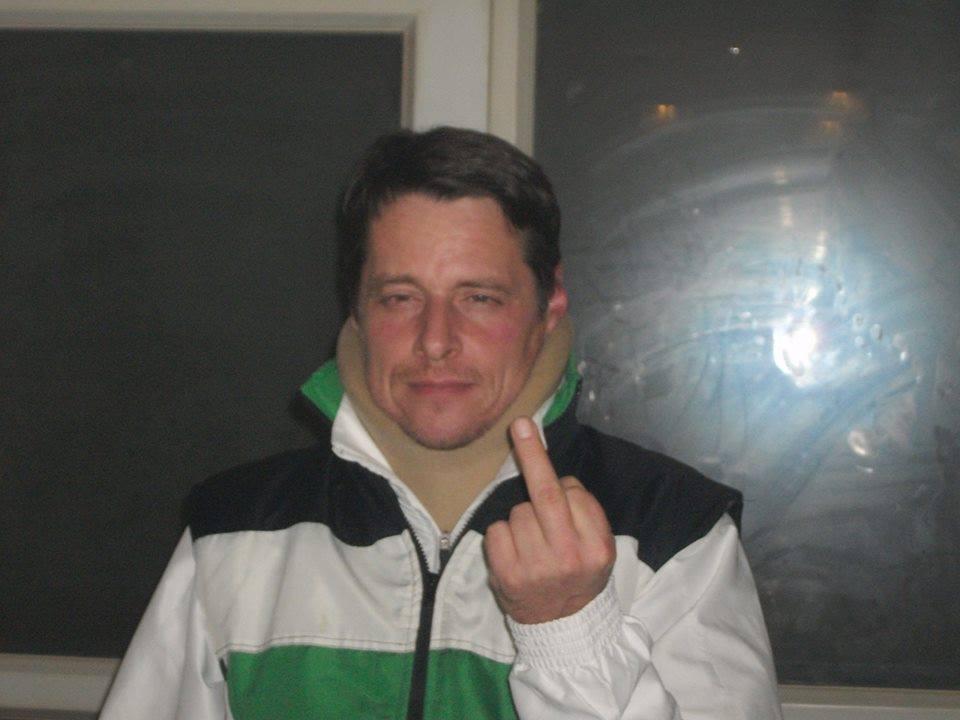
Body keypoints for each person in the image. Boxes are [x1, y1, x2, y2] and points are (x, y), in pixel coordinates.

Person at [100, 127, 782, 719]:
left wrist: (570, 630)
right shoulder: (235, 529)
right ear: (356, 308)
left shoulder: (672, 531)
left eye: (479, 298)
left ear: (550, 304)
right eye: (400, 297)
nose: (434, 340)